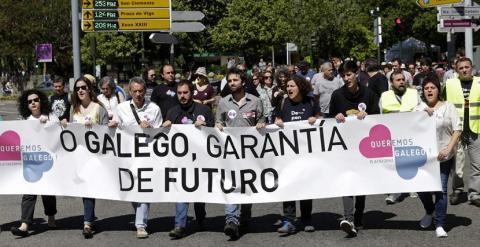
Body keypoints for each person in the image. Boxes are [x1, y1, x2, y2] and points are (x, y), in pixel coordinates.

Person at [328, 61, 380, 237]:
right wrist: (336, 116)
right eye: (343, 75)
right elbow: (329, 120)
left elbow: (378, 120)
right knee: (347, 180)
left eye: (349, 74)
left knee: (360, 183)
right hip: (344, 147)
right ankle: (348, 218)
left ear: (357, 74)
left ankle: (358, 215)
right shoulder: (337, 95)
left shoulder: (369, 94)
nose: (346, 78)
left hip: (365, 147)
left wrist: (368, 116)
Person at [215, 67, 265, 239]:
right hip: (230, 153)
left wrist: (261, 123)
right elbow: (218, 122)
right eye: (229, 81)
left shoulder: (256, 101)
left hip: (250, 154)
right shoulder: (223, 102)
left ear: (243, 82)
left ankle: (244, 216)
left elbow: (262, 119)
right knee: (231, 185)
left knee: (246, 187)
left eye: (235, 80)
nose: (232, 83)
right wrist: (218, 126)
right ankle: (231, 220)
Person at [111, 77, 162, 238]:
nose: (138, 94)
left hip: (147, 155)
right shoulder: (121, 108)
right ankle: (140, 214)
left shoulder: (154, 109)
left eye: (141, 91)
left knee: (144, 187)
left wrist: (152, 128)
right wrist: (112, 125)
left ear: (145, 91)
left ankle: (141, 224)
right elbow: (115, 127)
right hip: (128, 155)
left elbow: (161, 134)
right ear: (130, 92)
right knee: (133, 188)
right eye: (135, 91)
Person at [163, 80, 214, 239]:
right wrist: (165, 127)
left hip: (200, 160)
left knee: (199, 193)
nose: (182, 96)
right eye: (179, 93)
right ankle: (180, 225)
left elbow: (215, 134)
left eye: (185, 93)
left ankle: (200, 218)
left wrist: (205, 126)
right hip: (181, 162)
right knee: (182, 192)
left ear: (191, 93)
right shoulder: (172, 112)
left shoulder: (204, 110)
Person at [415, 75, 461, 238]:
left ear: (438, 90)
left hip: (443, 156)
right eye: (426, 88)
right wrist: (421, 114)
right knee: (420, 187)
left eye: (432, 87)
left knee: (440, 189)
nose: (429, 90)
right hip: (423, 158)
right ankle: (430, 211)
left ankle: (440, 224)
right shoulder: (418, 108)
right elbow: (408, 127)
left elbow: (457, 129)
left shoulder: (449, 107)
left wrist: (449, 148)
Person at [274, 75, 321, 234]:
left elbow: (321, 120)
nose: (289, 89)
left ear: (300, 87)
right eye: (287, 86)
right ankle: (289, 219)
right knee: (288, 184)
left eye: (292, 85)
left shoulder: (311, 101)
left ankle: (306, 218)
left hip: (306, 152)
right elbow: (276, 119)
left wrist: (316, 119)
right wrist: (277, 120)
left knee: (305, 185)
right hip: (287, 153)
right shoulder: (282, 101)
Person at [10, 89, 58, 237]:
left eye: (35, 100)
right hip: (31, 162)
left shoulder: (51, 116)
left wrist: (51, 123)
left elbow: (60, 134)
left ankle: (51, 216)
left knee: (48, 193)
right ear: (27, 105)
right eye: (30, 101)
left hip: (48, 160)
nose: (33, 103)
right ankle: (24, 224)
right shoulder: (25, 121)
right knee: (29, 193)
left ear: (41, 101)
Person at [69, 76, 109, 238]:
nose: (80, 90)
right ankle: (89, 218)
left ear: (89, 89)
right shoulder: (74, 110)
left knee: (89, 188)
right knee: (84, 189)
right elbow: (69, 132)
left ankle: (87, 222)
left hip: (96, 156)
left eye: (83, 87)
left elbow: (107, 131)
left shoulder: (99, 109)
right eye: (77, 88)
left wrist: (104, 126)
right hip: (79, 156)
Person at [380, 69, 423, 204]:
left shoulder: (414, 93)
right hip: (393, 135)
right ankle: (395, 191)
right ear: (391, 83)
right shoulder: (385, 96)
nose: (401, 82)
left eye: (402, 79)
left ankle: (413, 186)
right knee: (394, 163)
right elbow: (381, 116)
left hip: (411, 133)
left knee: (410, 160)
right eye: (398, 80)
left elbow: (421, 109)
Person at [444, 57, 480, 207]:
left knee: (477, 164)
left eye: (467, 67)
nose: (464, 70)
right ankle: (458, 190)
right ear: (456, 70)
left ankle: (474, 194)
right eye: (461, 68)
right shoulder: (450, 84)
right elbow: (443, 104)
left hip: (476, 128)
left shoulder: (479, 82)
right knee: (457, 164)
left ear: (472, 68)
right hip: (456, 129)